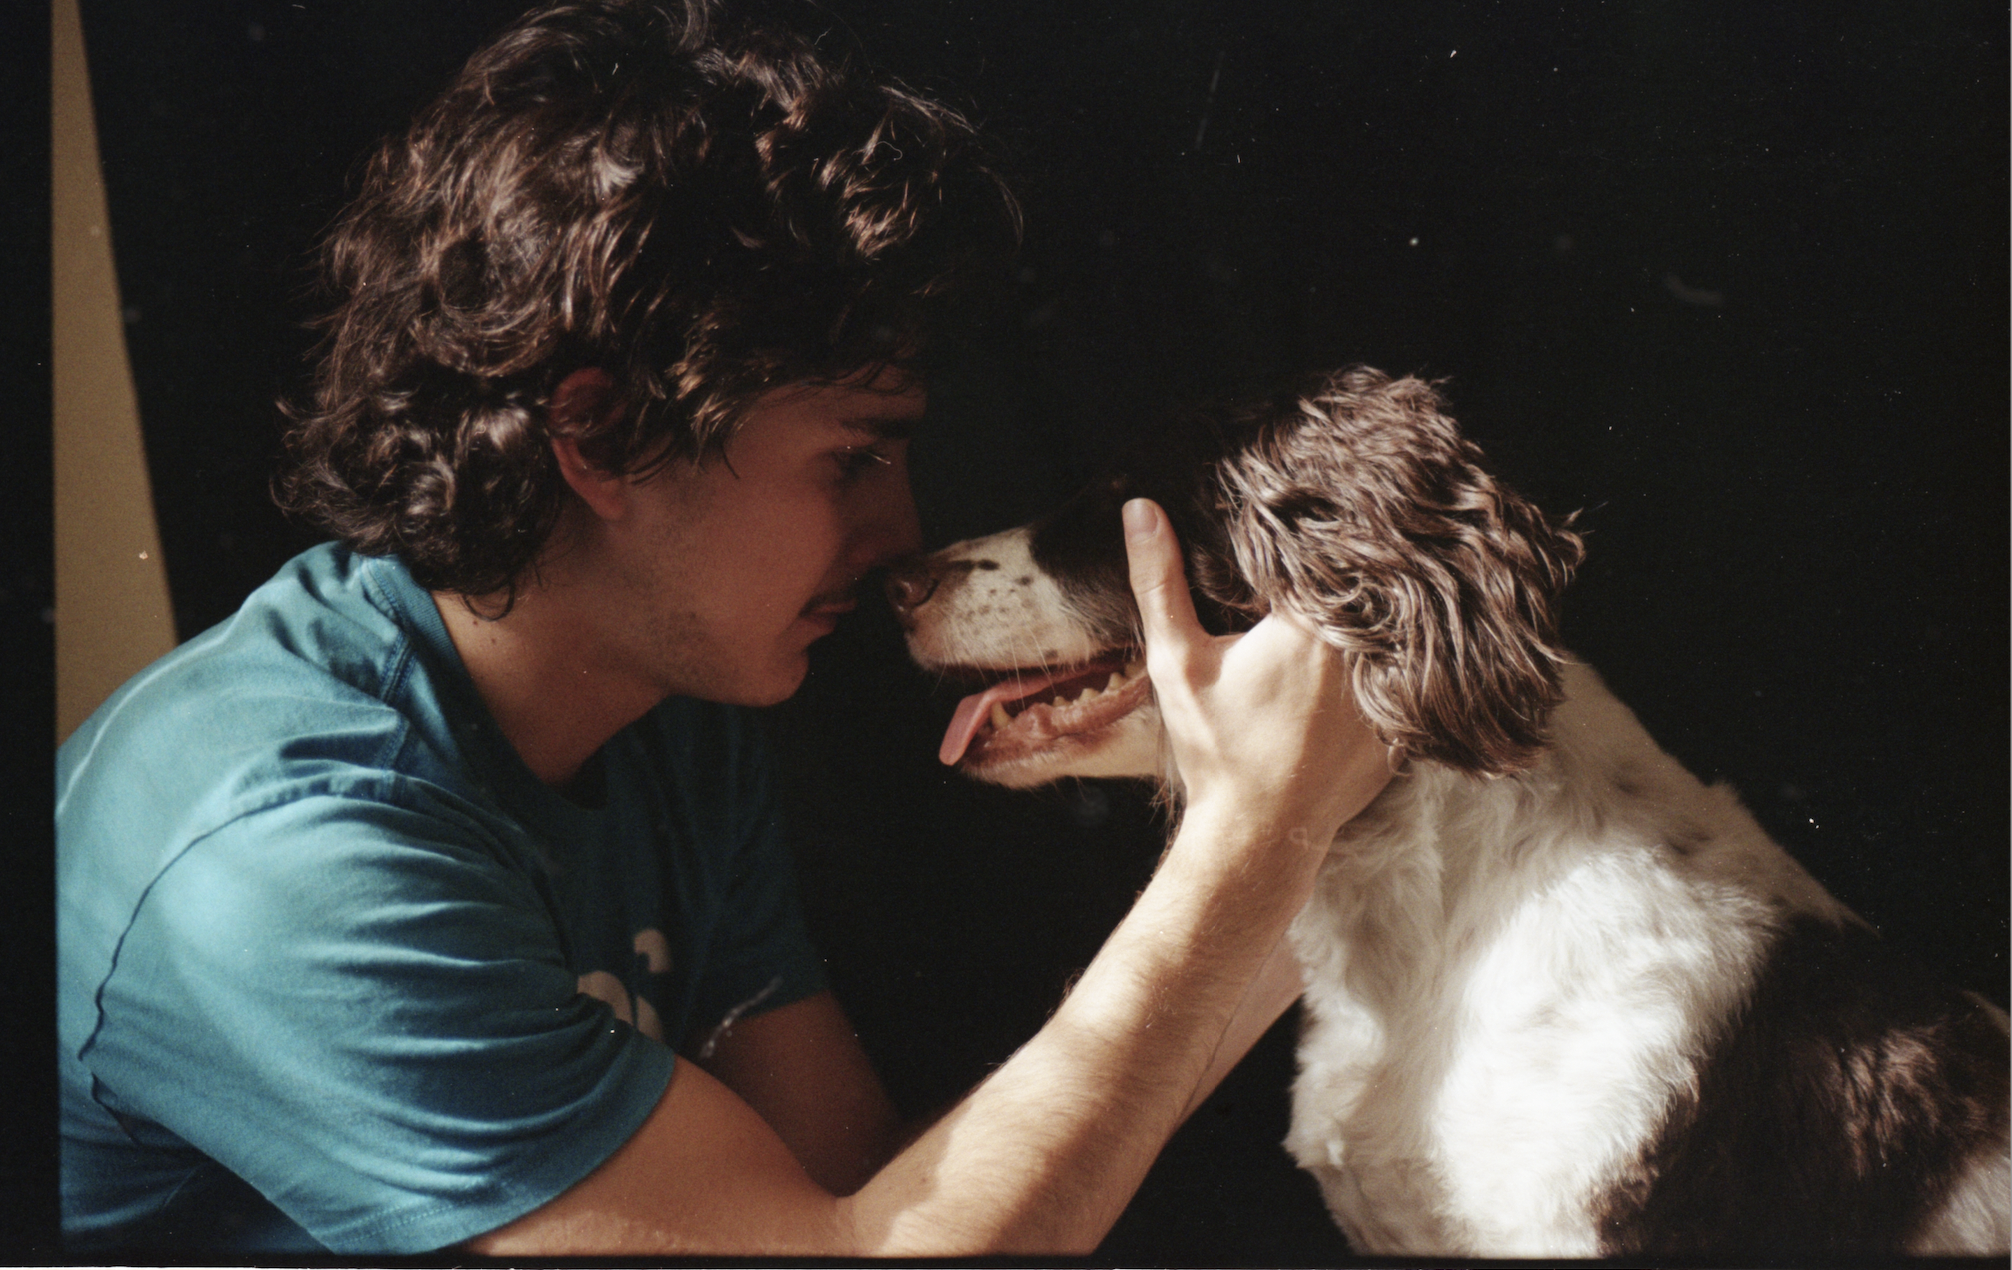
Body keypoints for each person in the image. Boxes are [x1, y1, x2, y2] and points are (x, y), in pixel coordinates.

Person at [57, 0, 1393, 1255]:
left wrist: (1310, 836)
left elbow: (858, 1194)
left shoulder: (661, 715)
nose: (899, 541)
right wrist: (1255, 836)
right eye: (853, 459)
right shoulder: (288, 853)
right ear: (596, 434)